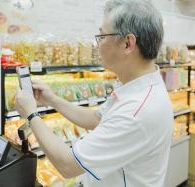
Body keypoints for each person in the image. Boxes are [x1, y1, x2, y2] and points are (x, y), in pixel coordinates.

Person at [14, 0, 173, 186]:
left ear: (128, 43)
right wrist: (52, 100)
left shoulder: (137, 111)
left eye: (102, 36)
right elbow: (96, 119)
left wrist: (32, 115)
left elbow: (68, 165)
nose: (97, 45)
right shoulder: (136, 88)